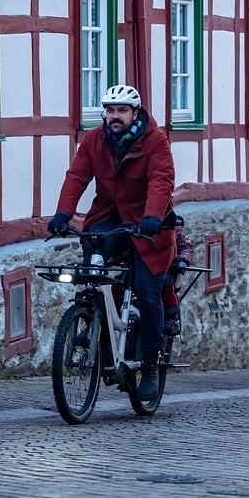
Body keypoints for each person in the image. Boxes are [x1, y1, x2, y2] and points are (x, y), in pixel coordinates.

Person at [48, 84, 176, 398]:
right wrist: (63, 213)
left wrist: (153, 216)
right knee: (93, 263)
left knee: (147, 292)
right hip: (110, 216)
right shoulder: (94, 140)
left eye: (121, 110)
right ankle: (94, 317)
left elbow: (162, 180)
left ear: (136, 113)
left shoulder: (155, 141)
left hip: (150, 222)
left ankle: (149, 365)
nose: (114, 116)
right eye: (109, 110)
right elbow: (76, 177)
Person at [162, 216, 194, 336]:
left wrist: (182, 260)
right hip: (147, 266)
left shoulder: (175, 224)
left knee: (166, 283)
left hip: (169, 268)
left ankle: (170, 316)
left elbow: (186, 247)